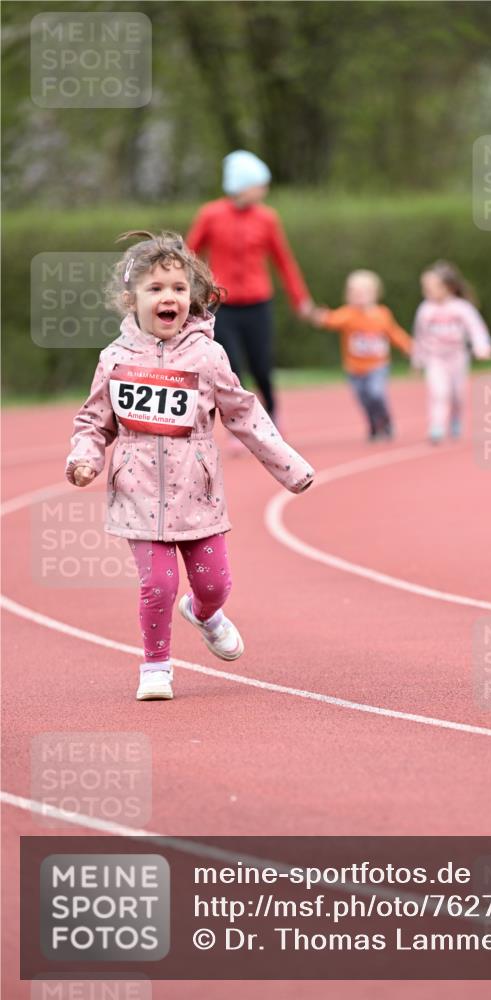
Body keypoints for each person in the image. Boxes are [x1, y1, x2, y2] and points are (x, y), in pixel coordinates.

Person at [65, 231, 314, 702]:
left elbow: (243, 413)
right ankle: (156, 666)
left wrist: (289, 466)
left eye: (179, 288)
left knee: (214, 584)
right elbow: (94, 422)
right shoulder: (114, 359)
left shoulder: (207, 356)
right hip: (137, 493)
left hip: (198, 492)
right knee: (158, 585)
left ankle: (204, 613)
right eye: (156, 289)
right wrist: (84, 458)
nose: (169, 297)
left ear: (191, 296)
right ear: (131, 300)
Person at [186, 150, 312, 426]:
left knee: (261, 365)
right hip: (222, 304)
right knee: (230, 365)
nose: (264, 190)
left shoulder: (267, 218)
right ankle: (241, 421)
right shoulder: (210, 214)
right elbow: (188, 254)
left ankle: (272, 411)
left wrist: (300, 299)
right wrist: (184, 294)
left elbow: (284, 261)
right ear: (243, 185)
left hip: (258, 303)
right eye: (260, 185)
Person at [309, 270, 412, 440]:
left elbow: (394, 333)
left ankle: (385, 420)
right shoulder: (348, 313)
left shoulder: (382, 314)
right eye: (354, 293)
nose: (359, 297)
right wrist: (318, 316)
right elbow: (331, 319)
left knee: (376, 393)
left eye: (363, 292)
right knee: (364, 399)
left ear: (375, 294)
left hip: (377, 365)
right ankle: (373, 423)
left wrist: (408, 346)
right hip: (354, 368)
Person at [411, 261, 491, 443]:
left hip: (457, 357)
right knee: (438, 392)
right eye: (425, 287)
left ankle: (455, 418)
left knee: (457, 394)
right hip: (435, 358)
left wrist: (482, 348)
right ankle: (437, 426)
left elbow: (476, 329)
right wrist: (417, 360)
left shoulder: (461, 308)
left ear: (447, 287)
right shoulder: (425, 309)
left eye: (432, 287)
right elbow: (419, 335)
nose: (427, 291)